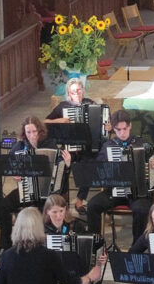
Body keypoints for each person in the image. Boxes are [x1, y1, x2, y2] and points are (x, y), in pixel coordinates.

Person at [86, 109, 154, 243]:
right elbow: (98, 170)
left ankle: (137, 246)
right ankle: (95, 244)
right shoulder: (108, 146)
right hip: (113, 192)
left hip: (138, 193)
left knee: (142, 210)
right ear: (113, 129)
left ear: (130, 126)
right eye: (118, 129)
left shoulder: (143, 143)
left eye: (124, 129)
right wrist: (106, 169)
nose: (122, 133)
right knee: (92, 206)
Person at [0, 116, 72, 248]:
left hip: (48, 190)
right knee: (3, 205)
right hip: (27, 188)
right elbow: (10, 166)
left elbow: (60, 171)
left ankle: (44, 243)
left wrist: (67, 164)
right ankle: (6, 246)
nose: (32, 135)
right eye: (28, 132)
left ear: (39, 131)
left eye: (34, 131)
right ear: (24, 133)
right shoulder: (19, 147)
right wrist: (15, 174)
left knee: (46, 206)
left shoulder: (50, 145)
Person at [44, 77, 107, 214]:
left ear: (83, 91)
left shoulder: (91, 104)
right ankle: (61, 200)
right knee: (61, 164)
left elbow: (103, 122)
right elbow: (45, 121)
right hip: (70, 148)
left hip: (88, 149)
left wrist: (107, 126)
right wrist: (60, 120)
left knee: (90, 164)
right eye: (73, 92)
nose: (77, 94)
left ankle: (79, 200)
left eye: (79, 90)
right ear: (68, 92)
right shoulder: (63, 107)